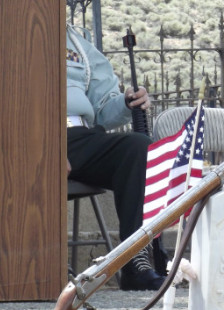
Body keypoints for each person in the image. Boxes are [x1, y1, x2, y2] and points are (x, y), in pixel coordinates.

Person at [66, 23, 165, 291]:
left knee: (138, 147)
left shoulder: (78, 43)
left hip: (79, 137)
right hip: (27, 134)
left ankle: (136, 262)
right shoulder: (10, 30)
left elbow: (102, 109)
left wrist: (126, 102)